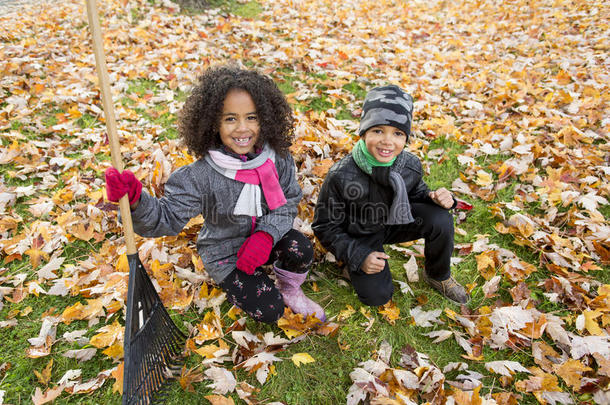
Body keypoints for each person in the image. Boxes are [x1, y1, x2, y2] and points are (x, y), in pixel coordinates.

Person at [105, 66, 326, 323]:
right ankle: (247, 283)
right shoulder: (199, 177)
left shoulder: (277, 159)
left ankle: (290, 290)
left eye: (252, 117)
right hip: (225, 252)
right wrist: (135, 202)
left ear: (266, 118)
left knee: (302, 250)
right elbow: (165, 218)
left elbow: (287, 201)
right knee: (270, 311)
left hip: (266, 237)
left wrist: (267, 235)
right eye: (230, 119)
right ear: (213, 123)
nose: (242, 129)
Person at [312, 85, 469, 306]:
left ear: (406, 138)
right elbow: (324, 226)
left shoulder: (409, 165)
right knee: (377, 297)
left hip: (393, 223)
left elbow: (418, 194)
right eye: (378, 131)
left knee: (440, 217)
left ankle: (437, 274)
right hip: (360, 233)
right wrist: (357, 255)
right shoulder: (341, 175)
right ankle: (350, 265)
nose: (387, 141)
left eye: (397, 133)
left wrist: (439, 198)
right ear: (364, 132)